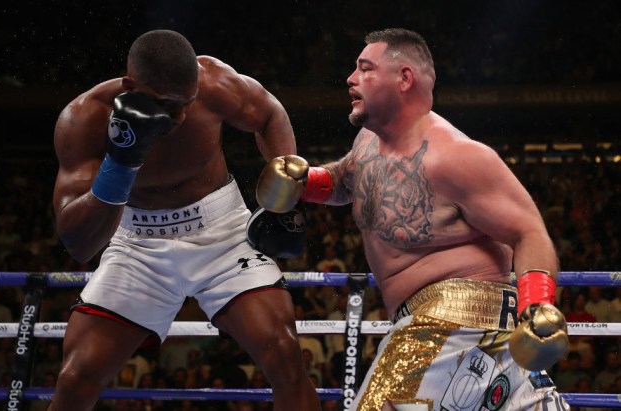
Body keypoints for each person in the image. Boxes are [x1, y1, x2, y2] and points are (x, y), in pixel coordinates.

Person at [256, 28, 570, 410]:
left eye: (365, 68)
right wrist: (306, 183)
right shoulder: (368, 142)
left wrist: (536, 308)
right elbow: (347, 180)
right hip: (447, 326)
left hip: (453, 320)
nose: (351, 79)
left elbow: (528, 230)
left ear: (404, 78)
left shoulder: (456, 156)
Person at [49, 29, 320, 411]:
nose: (181, 115)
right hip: (138, 247)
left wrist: (285, 194)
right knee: (75, 378)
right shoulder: (84, 119)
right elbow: (79, 244)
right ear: (130, 87)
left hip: (223, 235)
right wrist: (122, 161)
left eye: (187, 101)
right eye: (168, 104)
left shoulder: (214, 83)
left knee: (286, 357)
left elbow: (269, 113)